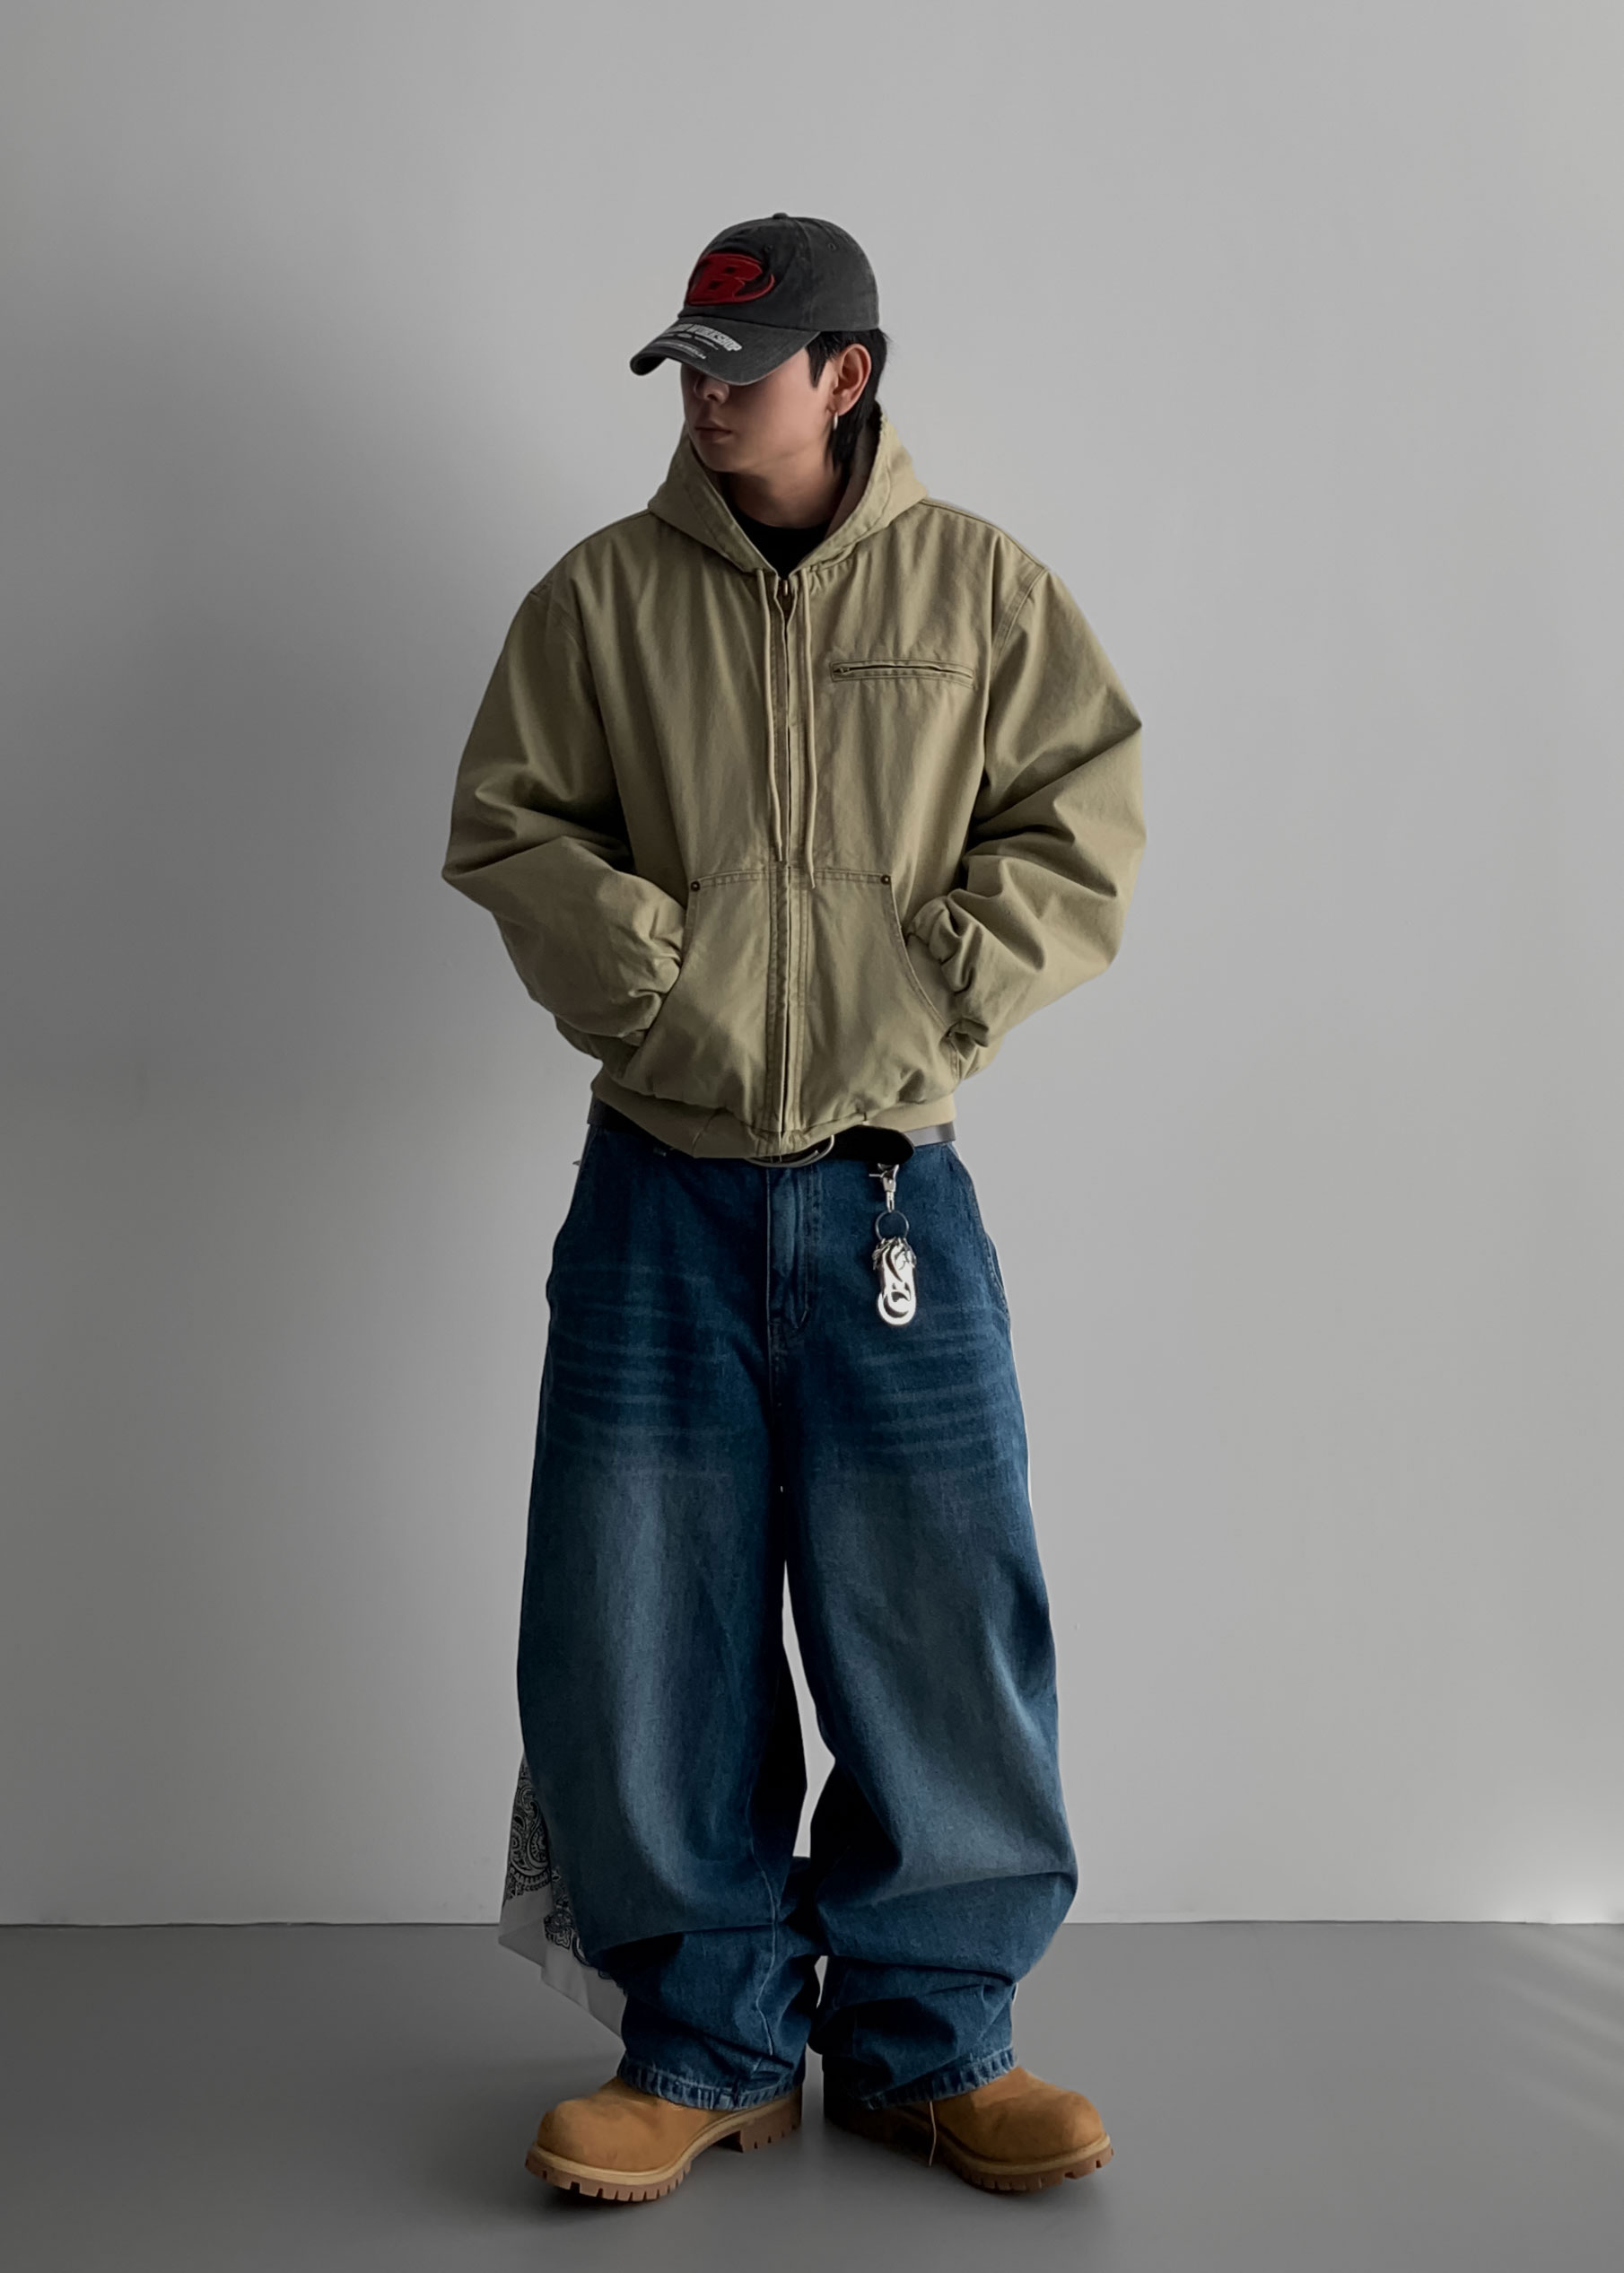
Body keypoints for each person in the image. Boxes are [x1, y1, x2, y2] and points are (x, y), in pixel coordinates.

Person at [441, 212, 1146, 2204]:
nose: (707, 398)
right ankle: (708, 2045)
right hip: (655, 1196)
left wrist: (931, 993)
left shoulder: (979, 589)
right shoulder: (599, 600)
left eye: (743, 368)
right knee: (638, 1618)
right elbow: (509, 822)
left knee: (939, 1616)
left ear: (847, 374)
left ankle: (935, 2042)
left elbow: (1079, 818)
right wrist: (655, 984)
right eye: (687, 366)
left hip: (888, 1199)